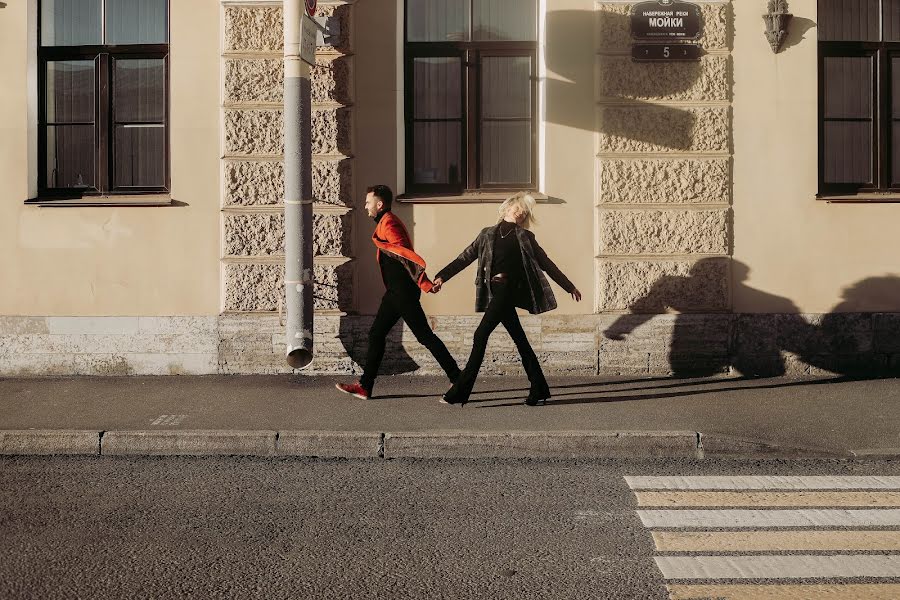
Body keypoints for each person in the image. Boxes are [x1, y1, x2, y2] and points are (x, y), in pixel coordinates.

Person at [432, 192, 582, 407]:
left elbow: (546, 263)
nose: (520, 212)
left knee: (480, 334)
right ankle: (539, 388)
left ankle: (460, 391)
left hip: (508, 290)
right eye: (517, 207)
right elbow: (464, 258)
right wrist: (441, 277)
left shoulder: (526, 237)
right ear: (507, 207)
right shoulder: (487, 234)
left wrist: (569, 286)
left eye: (524, 210)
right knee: (520, 340)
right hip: (494, 291)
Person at [335, 185, 460, 400]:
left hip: (403, 293)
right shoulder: (385, 223)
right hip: (396, 293)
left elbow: (407, 258)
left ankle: (458, 378)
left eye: (368, 202)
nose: (365, 206)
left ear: (380, 204)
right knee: (377, 334)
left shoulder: (390, 223)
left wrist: (426, 284)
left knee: (424, 336)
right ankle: (365, 386)